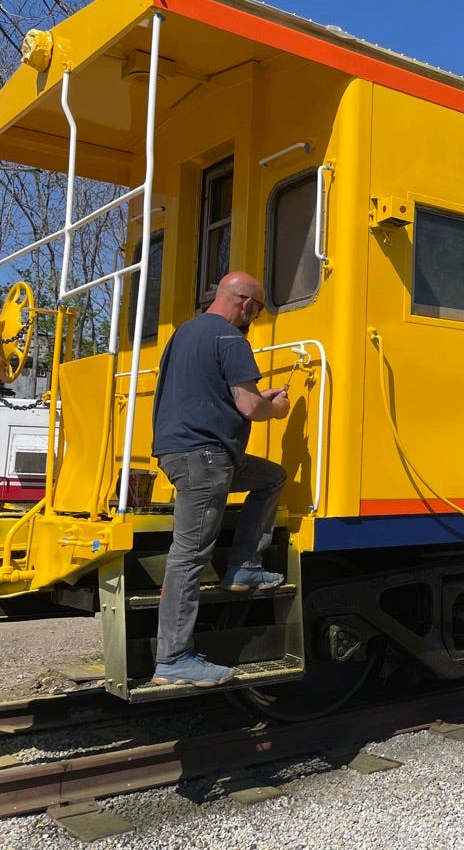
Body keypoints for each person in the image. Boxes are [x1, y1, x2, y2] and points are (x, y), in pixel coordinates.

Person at [150, 271, 290, 687]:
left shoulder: (184, 335)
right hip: (206, 458)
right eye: (259, 309)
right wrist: (276, 409)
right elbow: (249, 407)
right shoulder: (231, 339)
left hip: (182, 452)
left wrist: (252, 399)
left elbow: (214, 393)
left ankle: (244, 566)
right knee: (189, 556)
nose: (256, 317)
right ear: (246, 304)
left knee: (270, 477)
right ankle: (173, 659)